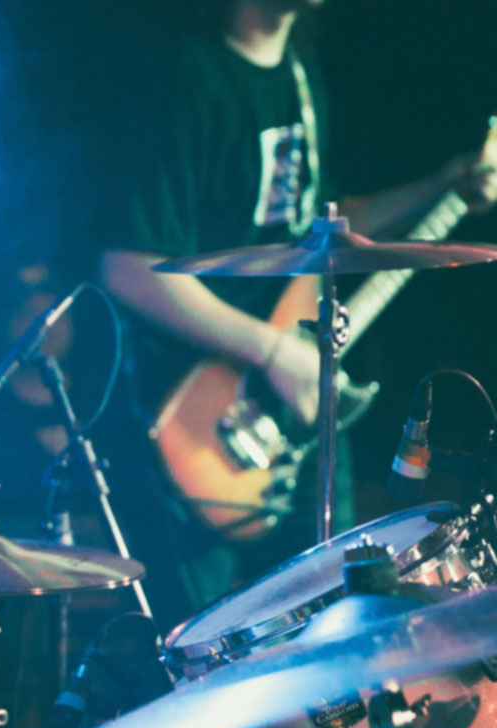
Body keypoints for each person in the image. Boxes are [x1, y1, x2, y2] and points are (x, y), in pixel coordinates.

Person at [94, 0, 497, 625]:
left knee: (327, 627)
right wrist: (274, 352)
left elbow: (325, 229)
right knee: (203, 645)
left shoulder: (301, 76)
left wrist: (442, 184)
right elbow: (126, 265)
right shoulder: (185, 78)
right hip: (199, 416)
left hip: (295, 411)